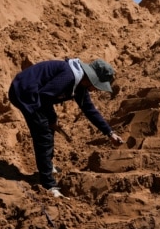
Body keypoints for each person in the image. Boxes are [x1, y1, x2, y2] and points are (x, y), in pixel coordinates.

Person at [8, 58, 124, 197]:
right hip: (24, 91)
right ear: (92, 79)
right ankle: (49, 185)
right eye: (97, 86)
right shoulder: (69, 77)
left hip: (35, 94)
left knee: (48, 128)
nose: (96, 90)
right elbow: (44, 96)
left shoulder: (80, 85)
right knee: (43, 134)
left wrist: (109, 132)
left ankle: (47, 166)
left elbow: (90, 110)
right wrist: (51, 118)